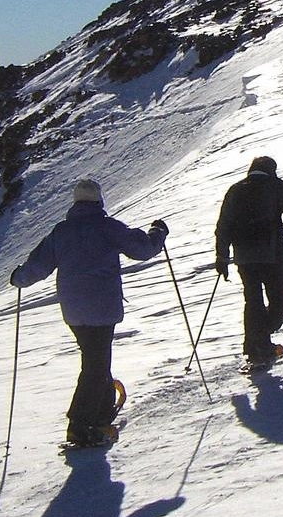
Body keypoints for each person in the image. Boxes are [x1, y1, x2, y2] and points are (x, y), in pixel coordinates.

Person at [10, 178, 168, 447]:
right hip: (102, 308)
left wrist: (19, 277)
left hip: (73, 310)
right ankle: (81, 424)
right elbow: (141, 249)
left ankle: (102, 408)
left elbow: (38, 265)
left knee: (95, 358)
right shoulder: (107, 228)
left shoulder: (61, 232)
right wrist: (158, 233)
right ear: (98, 201)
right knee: (95, 365)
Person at [215, 156, 283, 368]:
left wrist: (222, 256)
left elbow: (224, 225)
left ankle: (254, 345)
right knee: (279, 305)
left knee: (252, 301)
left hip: (244, 257)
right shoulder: (276, 186)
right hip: (272, 255)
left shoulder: (235, 190)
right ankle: (260, 344)